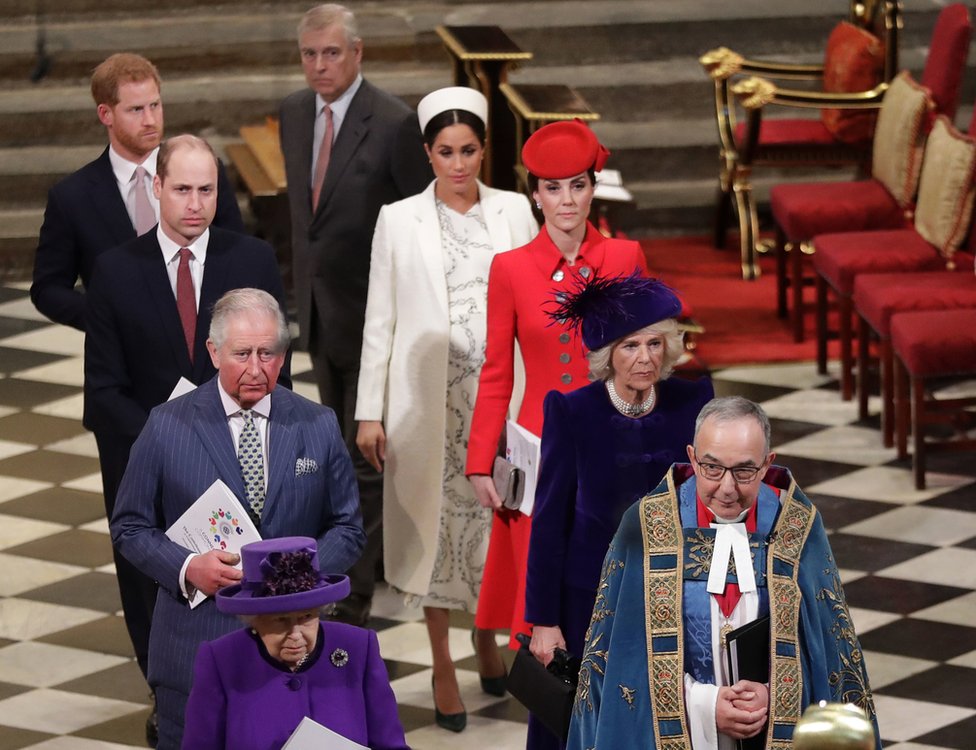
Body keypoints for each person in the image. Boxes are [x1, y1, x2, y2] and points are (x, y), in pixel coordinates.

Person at [111, 288, 365, 750]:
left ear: (283, 356)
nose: (255, 368)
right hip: (195, 649)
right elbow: (129, 525)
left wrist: (296, 572)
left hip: (294, 652)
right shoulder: (167, 425)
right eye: (242, 353)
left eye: (268, 354)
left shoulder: (318, 423)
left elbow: (348, 527)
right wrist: (189, 567)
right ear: (213, 352)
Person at [355, 86, 537, 732]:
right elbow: (381, 317)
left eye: (468, 151)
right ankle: (441, 661)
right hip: (427, 404)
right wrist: (368, 411)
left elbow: (539, 301)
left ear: (484, 150)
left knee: (494, 533)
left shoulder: (516, 211)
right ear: (427, 152)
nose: (458, 165)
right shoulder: (398, 219)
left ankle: (486, 639)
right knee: (432, 539)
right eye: (445, 152)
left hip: (501, 399)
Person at [84, 134, 289, 703]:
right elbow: (102, 393)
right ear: (156, 188)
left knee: (240, 577)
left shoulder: (252, 259)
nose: (194, 203)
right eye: (181, 189)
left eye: (207, 190)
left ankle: (253, 685)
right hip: (149, 464)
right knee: (153, 584)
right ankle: (167, 694)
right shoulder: (114, 271)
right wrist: (170, 436)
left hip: (242, 458)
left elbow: (277, 373)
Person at [567, 397, 880, 750]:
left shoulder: (796, 527)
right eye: (712, 468)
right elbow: (621, 658)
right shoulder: (646, 528)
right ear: (692, 456)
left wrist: (775, 694)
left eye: (744, 471)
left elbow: (828, 659)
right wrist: (702, 704)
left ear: (767, 465)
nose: (727, 488)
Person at [466, 119, 649, 649]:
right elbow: (496, 370)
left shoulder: (624, 257)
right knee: (541, 608)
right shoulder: (511, 269)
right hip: (537, 450)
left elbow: (649, 359)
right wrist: (481, 460)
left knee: (614, 588)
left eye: (577, 185)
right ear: (535, 195)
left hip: (611, 442)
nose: (566, 200)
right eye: (553, 187)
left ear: (594, 187)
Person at [279, 3, 432, 627]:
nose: (320, 65)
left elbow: (419, 227)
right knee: (334, 451)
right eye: (310, 54)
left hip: (377, 323)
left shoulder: (394, 123)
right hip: (317, 312)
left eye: (332, 53)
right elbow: (307, 222)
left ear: (358, 53)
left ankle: (355, 590)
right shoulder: (292, 114)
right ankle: (347, 564)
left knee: (366, 453)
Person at [525, 272, 713, 748]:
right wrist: (543, 622)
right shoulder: (572, 413)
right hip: (590, 599)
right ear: (607, 354)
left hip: (673, 593)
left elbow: (713, 503)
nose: (645, 358)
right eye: (630, 346)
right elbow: (548, 523)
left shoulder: (693, 403)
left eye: (655, 343)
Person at [31, 52, 244, 332]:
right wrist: (105, 318)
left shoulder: (204, 170)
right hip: (121, 362)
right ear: (106, 114)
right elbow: (48, 288)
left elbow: (237, 254)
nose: (150, 120)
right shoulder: (72, 197)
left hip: (205, 346)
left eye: (155, 105)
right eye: (136, 110)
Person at [183, 537, 407, 750]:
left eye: (306, 617)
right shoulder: (223, 660)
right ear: (254, 618)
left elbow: (390, 745)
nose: (296, 634)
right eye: (280, 620)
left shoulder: (358, 647)